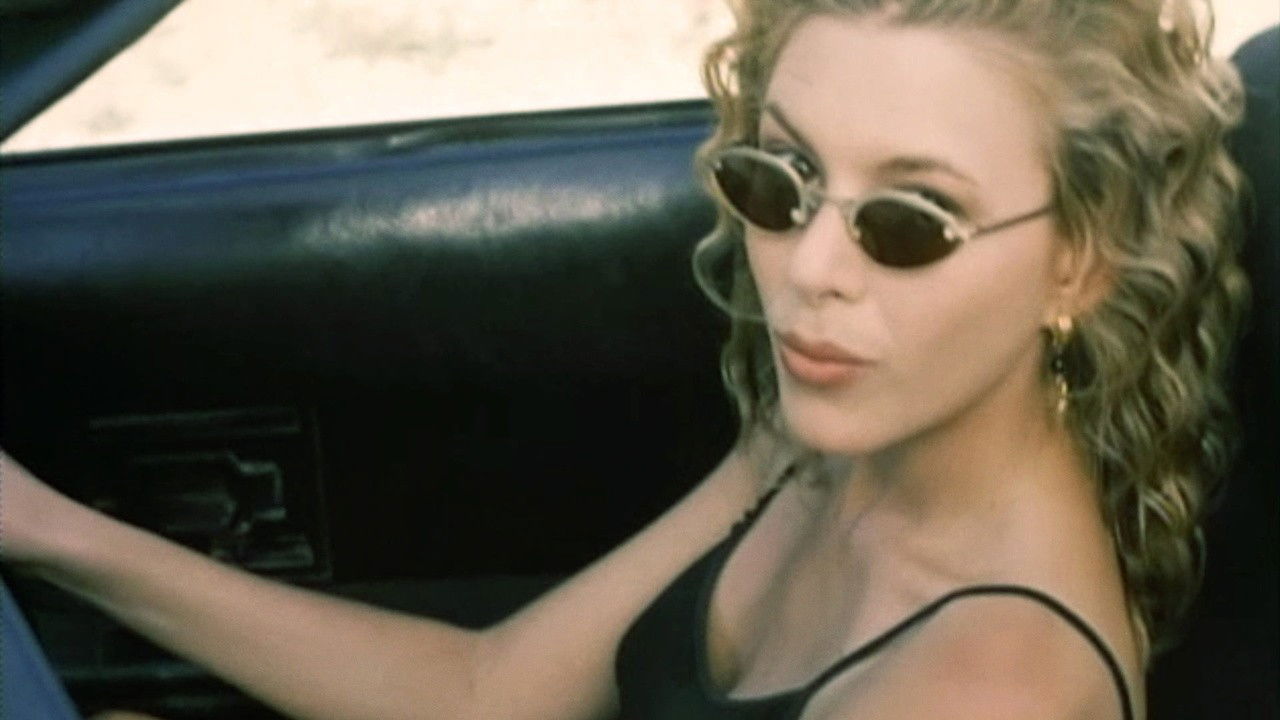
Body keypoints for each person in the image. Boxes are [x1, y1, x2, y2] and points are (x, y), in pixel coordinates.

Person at [0, 0, 1247, 718]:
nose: (807, 268)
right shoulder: (820, 449)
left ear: (1080, 262)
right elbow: (484, 693)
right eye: (779, 177)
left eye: (908, 220)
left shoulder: (987, 688)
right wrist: (48, 531)